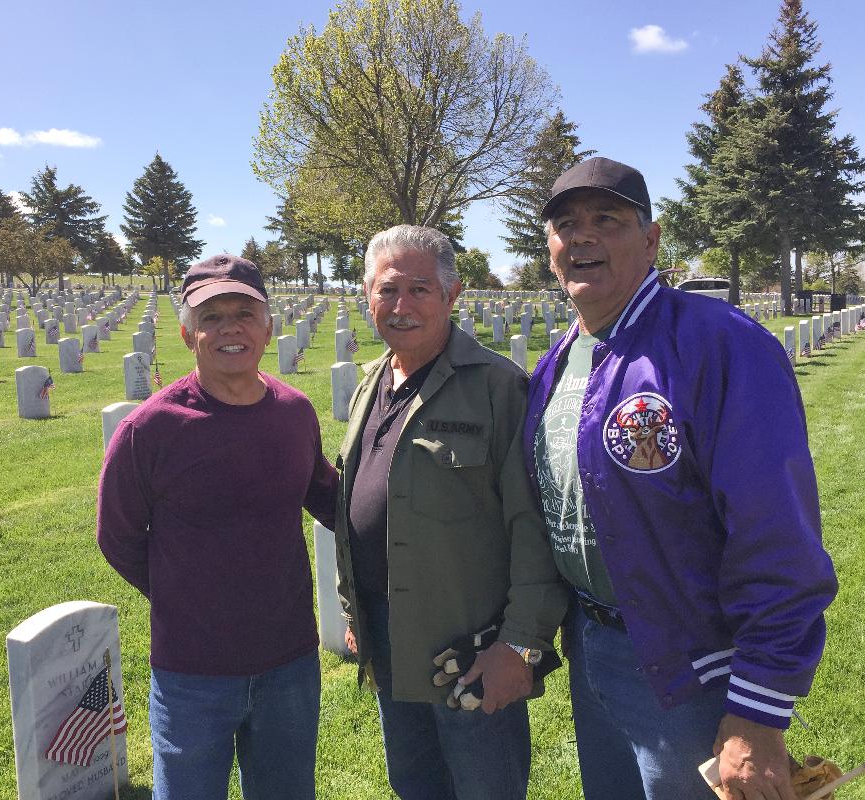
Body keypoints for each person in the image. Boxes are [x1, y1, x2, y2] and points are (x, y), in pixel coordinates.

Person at [524, 156, 838, 800]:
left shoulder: (722, 345)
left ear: (652, 238)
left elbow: (775, 533)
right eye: (564, 224)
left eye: (605, 220)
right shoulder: (558, 360)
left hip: (693, 668)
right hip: (592, 648)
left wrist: (757, 710)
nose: (581, 237)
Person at [333, 224, 567, 800]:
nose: (401, 305)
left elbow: (534, 526)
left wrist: (519, 645)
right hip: (390, 640)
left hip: (468, 649)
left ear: (452, 293)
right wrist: (353, 609)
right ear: (367, 295)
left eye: (420, 289)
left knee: (485, 787)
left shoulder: (496, 386)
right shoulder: (371, 382)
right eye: (387, 290)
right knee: (414, 785)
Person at [97, 254, 338, 800]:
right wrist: (188, 595)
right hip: (192, 670)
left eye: (245, 312)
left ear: (269, 327)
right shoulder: (150, 428)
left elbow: (327, 495)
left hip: (290, 662)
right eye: (212, 316)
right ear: (188, 333)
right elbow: (118, 536)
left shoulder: (294, 413)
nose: (230, 328)